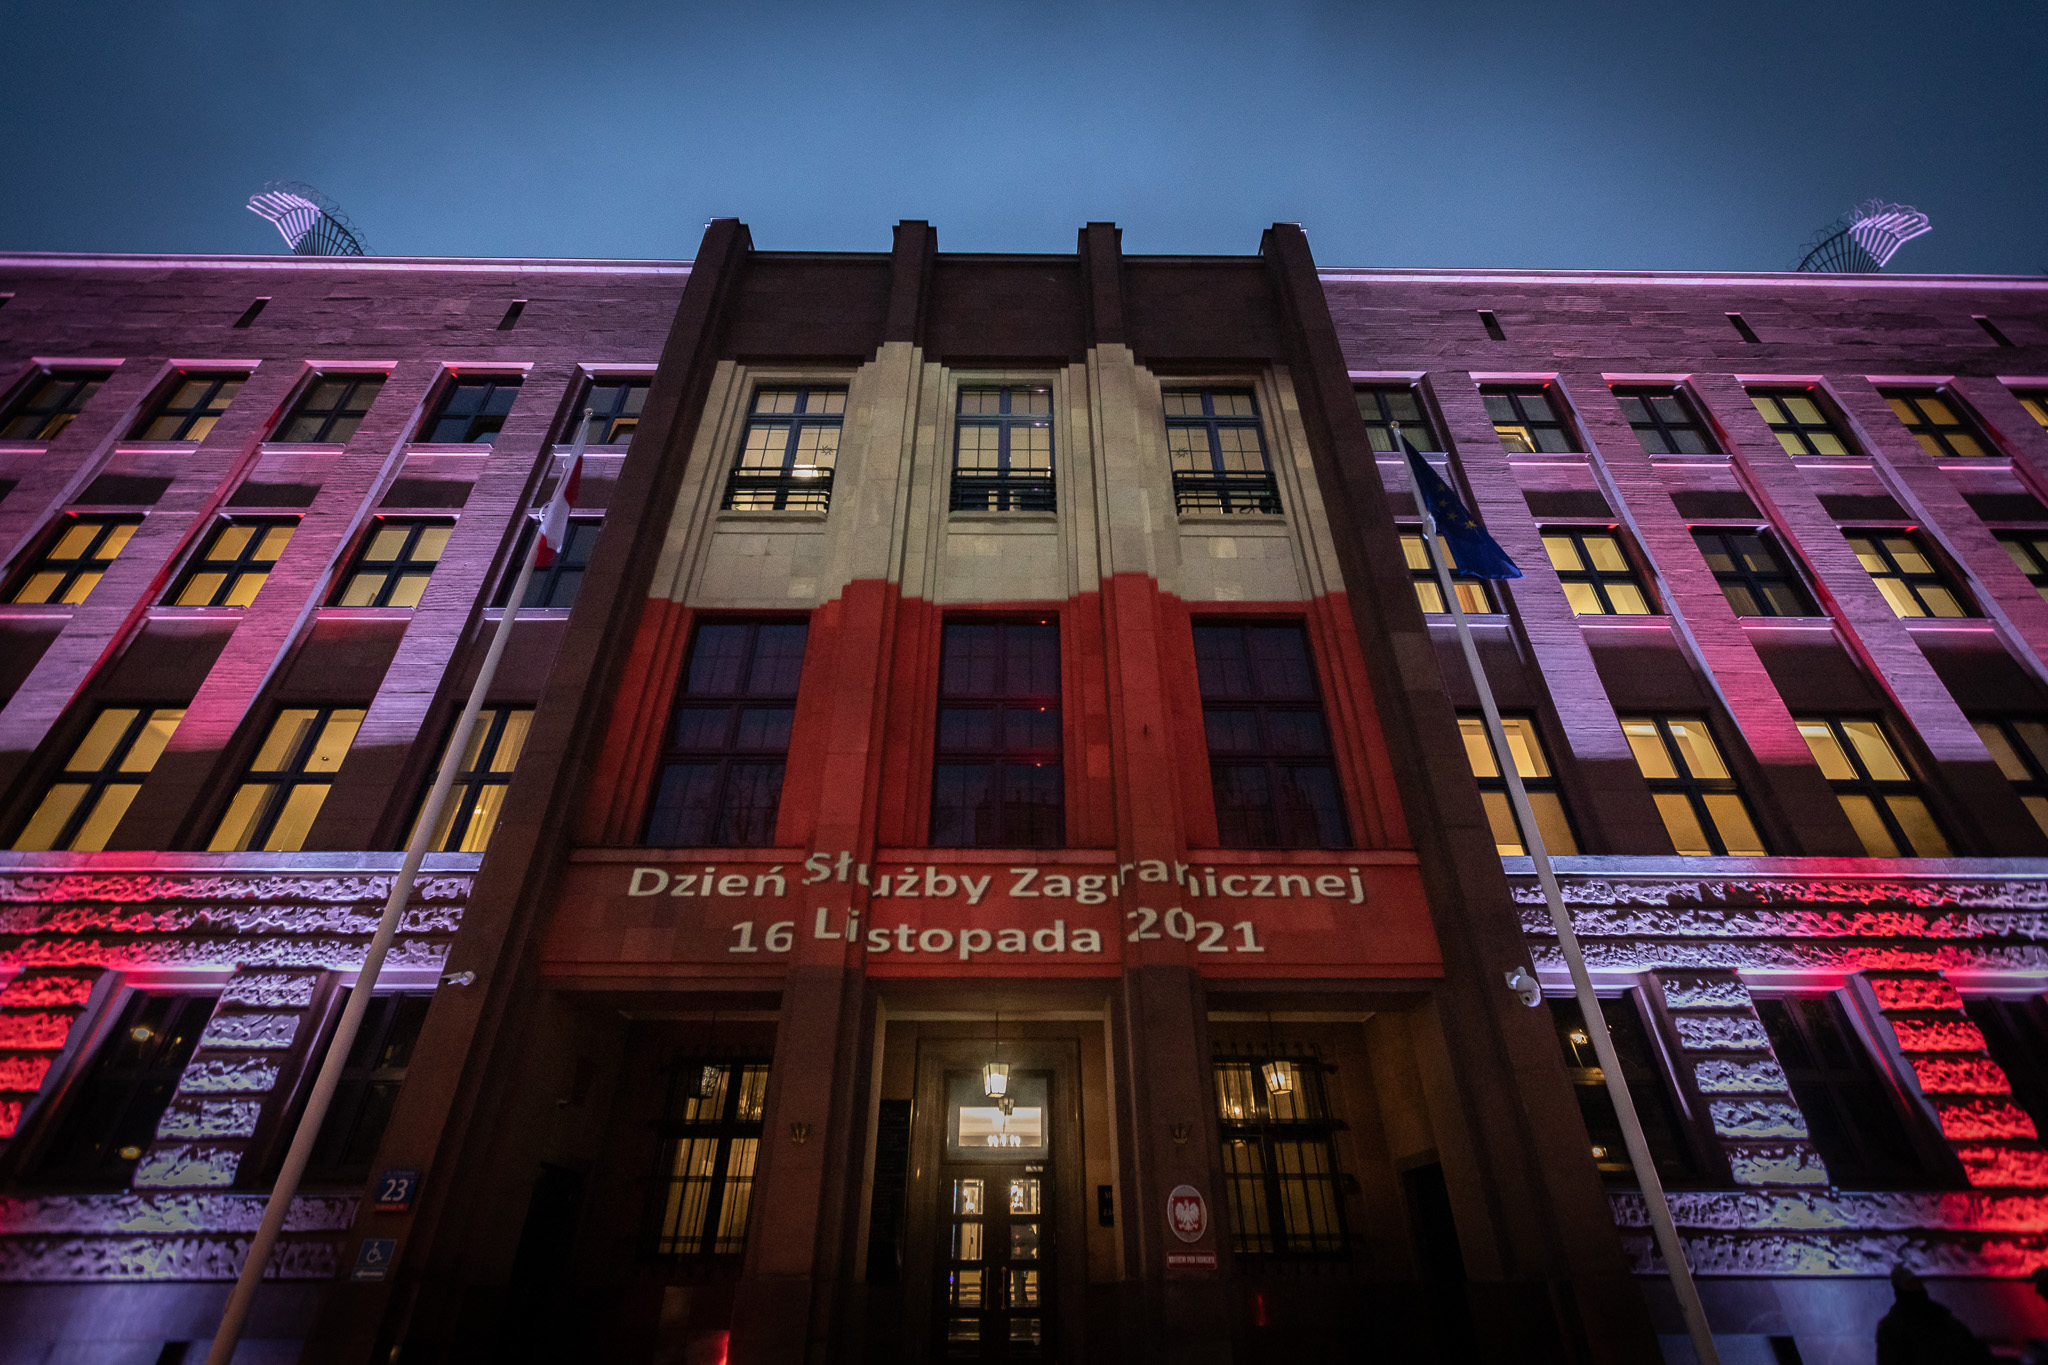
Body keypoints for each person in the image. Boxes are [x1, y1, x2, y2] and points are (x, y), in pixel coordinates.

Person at [1876, 1264, 1991, 1365]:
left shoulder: (1945, 1321)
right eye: (1911, 1283)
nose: (1916, 1286)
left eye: (1917, 1281)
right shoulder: (1945, 1321)